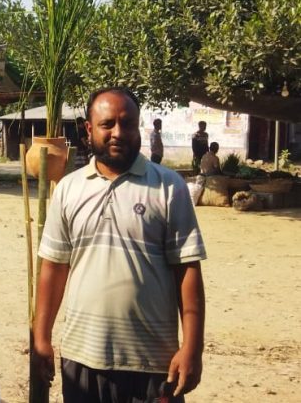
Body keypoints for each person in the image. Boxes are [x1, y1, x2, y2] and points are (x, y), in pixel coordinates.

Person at [33, 87, 206, 402]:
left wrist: (193, 347)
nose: (118, 133)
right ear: (89, 129)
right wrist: (41, 336)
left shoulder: (169, 187)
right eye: (107, 124)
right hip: (82, 357)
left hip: (153, 362)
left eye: (127, 124)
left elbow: (187, 270)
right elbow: (54, 267)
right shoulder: (68, 189)